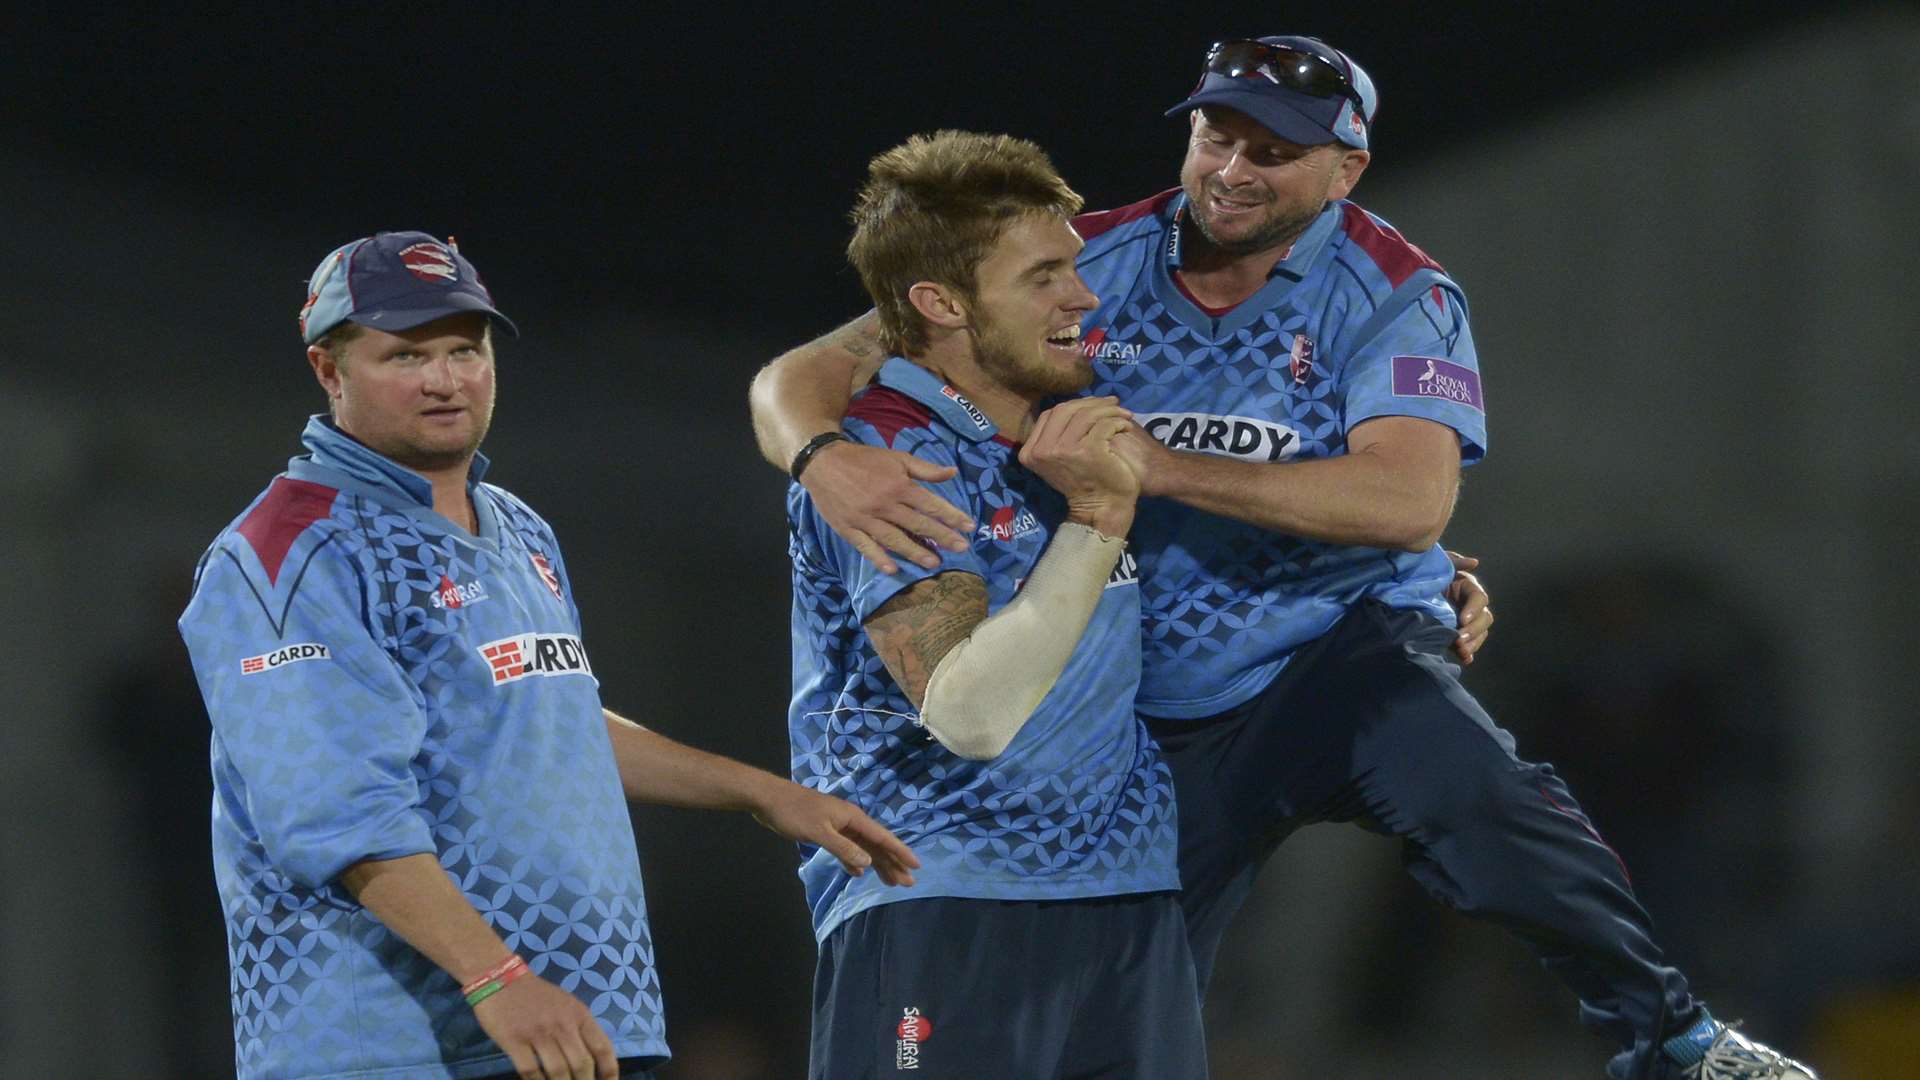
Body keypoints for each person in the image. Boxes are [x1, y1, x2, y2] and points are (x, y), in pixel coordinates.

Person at [748, 37, 1814, 1080]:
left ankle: (1675, 1041)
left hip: (1331, 657)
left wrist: (1157, 471)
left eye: (1274, 151)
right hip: (1153, 707)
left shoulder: (1397, 287)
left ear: (1346, 168)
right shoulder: (1086, 260)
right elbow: (814, 365)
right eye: (1217, 137)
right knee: (1134, 972)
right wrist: (819, 452)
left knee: (1487, 805)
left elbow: (1407, 499)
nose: (1232, 171)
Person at [178, 231, 919, 1080]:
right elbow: (338, 818)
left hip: (570, 1028)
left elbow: (548, 720)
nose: (446, 379)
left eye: (466, 349)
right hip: (391, 1048)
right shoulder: (284, 552)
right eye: (405, 355)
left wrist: (759, 792)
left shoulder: (517, 526)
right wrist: (495, 978)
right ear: (328, 370)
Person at [787, 132, 1205, 1079]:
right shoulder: (891, 458)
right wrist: (1098, 520)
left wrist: (1424, 578)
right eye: (1045, 277)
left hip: (1129, 900)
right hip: (945, 900)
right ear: (941, 304)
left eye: (1076, 268)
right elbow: (970, 714)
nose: (1084, 297)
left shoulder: (1072, 422)